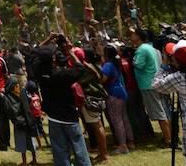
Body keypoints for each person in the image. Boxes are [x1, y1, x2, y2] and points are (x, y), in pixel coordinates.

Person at [30, 35, 92, 166]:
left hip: (53, 117)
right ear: (53, 58)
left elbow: (33, 53)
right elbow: (80, 69)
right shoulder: (62, 74)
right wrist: (70, 52)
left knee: (60, 152)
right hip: (69, 116)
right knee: (79, 149)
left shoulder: (39, 70)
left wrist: (48, 38)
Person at [129, 27, 171, 147]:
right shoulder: (151, 47)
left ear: (138, 36)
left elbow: (139, 65)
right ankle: (168, 136)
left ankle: (168, 140)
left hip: (148, 84)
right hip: (156, 81)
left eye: (133, 34)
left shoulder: (141, 49)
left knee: (159, 113)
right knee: (163, 110)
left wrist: (132, 59)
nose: (131, 36)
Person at [77, 48, 109, 163]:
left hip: (91, 99)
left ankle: (104, 154)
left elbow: (80, 82)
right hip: (97, 98)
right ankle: (102, 152)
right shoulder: (96, 66)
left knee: (97, 126)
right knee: (98, 125)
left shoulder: (88, 69)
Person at [101, 45, 134, 155]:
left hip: (113, 93)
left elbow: (103, 79)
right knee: (124, 118)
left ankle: (122, 145)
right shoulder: (116, 63)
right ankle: (130, 141)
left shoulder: (108, 65)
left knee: (117, 120)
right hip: (121, 91)